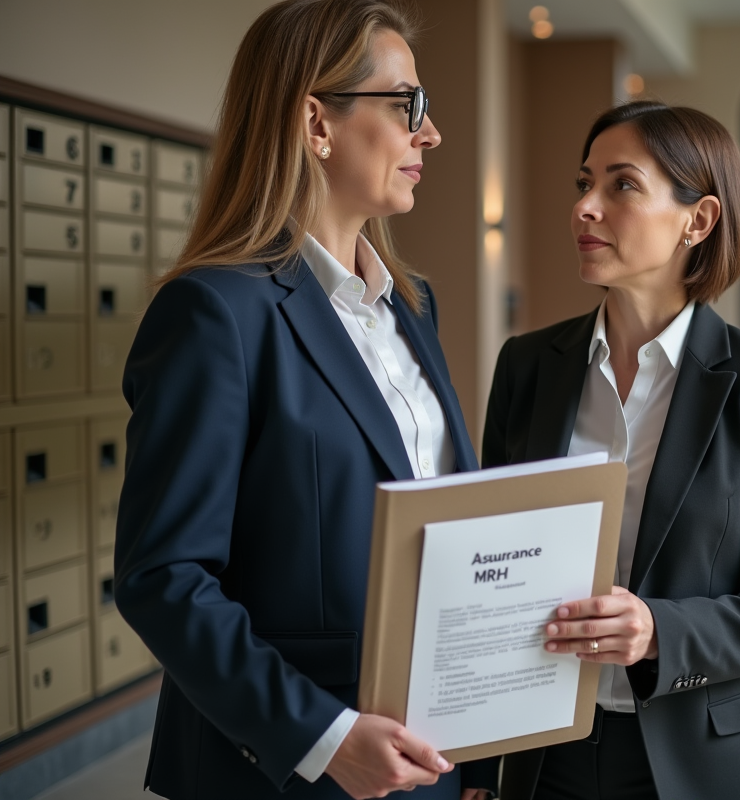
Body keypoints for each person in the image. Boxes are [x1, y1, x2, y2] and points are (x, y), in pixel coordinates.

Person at [114, 2, 495, 798]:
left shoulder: (412, 304)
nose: (430, 134)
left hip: (426, 753)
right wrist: (322, 737)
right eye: (408, 105)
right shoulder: (214, 312)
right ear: (317, 123)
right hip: (284, 769)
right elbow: (166, 575)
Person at [482, 101, 740, 800]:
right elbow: (485, 567)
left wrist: (658, 630)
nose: (585, 207)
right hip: (546, 759)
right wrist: (469, 763)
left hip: (704, 760)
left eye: (621, 185)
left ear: (697, 221)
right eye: (584, 183)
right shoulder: (527, 366)